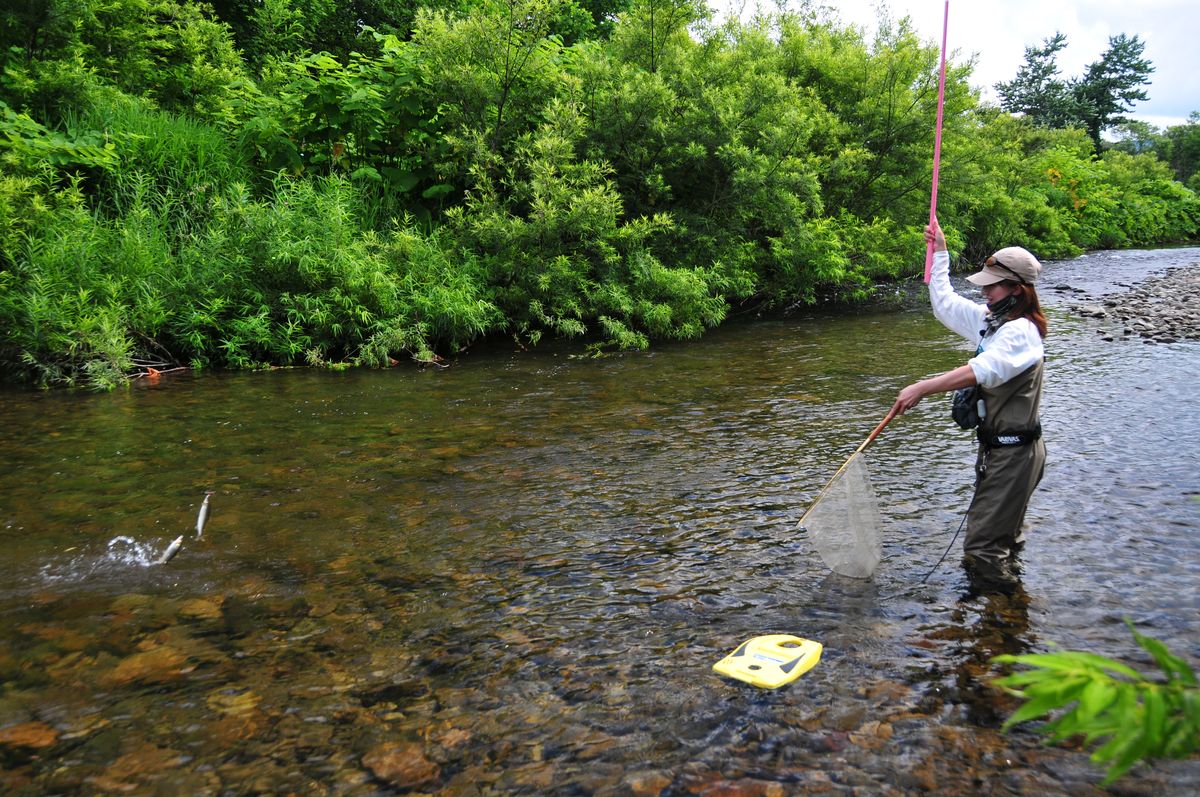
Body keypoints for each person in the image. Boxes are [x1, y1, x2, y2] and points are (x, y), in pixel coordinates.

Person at [891, 218, 1047, 589]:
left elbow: (983, 370)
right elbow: (945, 303)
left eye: (991, 287)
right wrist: (940, 250)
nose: (984, 293)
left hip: (1016, 454)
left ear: (1016, 289)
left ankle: (999, 623)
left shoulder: (1022, 332)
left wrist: (921, 388)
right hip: (1001, 451)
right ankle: (1007, 615)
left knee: (982, 547)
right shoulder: (992, 322)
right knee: (1002, 538)